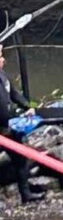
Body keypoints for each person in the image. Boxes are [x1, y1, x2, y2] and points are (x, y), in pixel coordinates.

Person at [0, 45, 45, 204]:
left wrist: (27, 106)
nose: (3, 59)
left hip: (5, 129)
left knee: (20, 158)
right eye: (0, 56)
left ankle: (26, 194)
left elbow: (14, 94)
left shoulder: (3, 75)